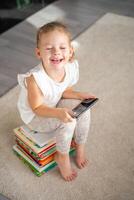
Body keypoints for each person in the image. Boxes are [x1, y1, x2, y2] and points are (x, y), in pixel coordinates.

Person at [17, 21, 95, 181]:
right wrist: (58, 113)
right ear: (39, 53)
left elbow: (61, 91)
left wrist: (79, 95)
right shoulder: (35, 79)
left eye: (62, 47)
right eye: (49, 48)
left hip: (53, 104)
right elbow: (37, 107)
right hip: (36, 117)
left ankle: (80, 147)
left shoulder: (69, 67)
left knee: (84, 109)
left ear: (71, 51)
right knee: (69, 121)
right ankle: (62, 157)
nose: (56, 52)